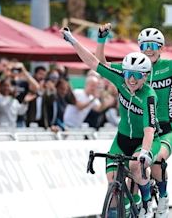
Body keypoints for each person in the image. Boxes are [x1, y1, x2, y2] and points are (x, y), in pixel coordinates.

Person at [96, 24, 172, 217]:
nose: (148, 49)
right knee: (134, 172)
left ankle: (163, 199)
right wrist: (102, 40)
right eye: (144, 45)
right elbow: (102, 65)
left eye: (153, 44)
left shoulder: (170, 66)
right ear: (139, 48)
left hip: (164, 129)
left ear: (161, 48)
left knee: (156, 162)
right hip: (140, 130)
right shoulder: (133, 68)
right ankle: (133, 205)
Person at [61, 27, 161, 218]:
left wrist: (146, 153)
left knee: (136, 168)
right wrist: (72, 41)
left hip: (144, 141)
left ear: (146, 76)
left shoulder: (149, 96)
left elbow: (149, 130)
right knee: (113, 184)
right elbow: (93, 62)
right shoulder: (121, 80)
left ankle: (145, 202)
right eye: (128, 74)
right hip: (122, 139)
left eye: (137, 75)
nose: (131, 79)